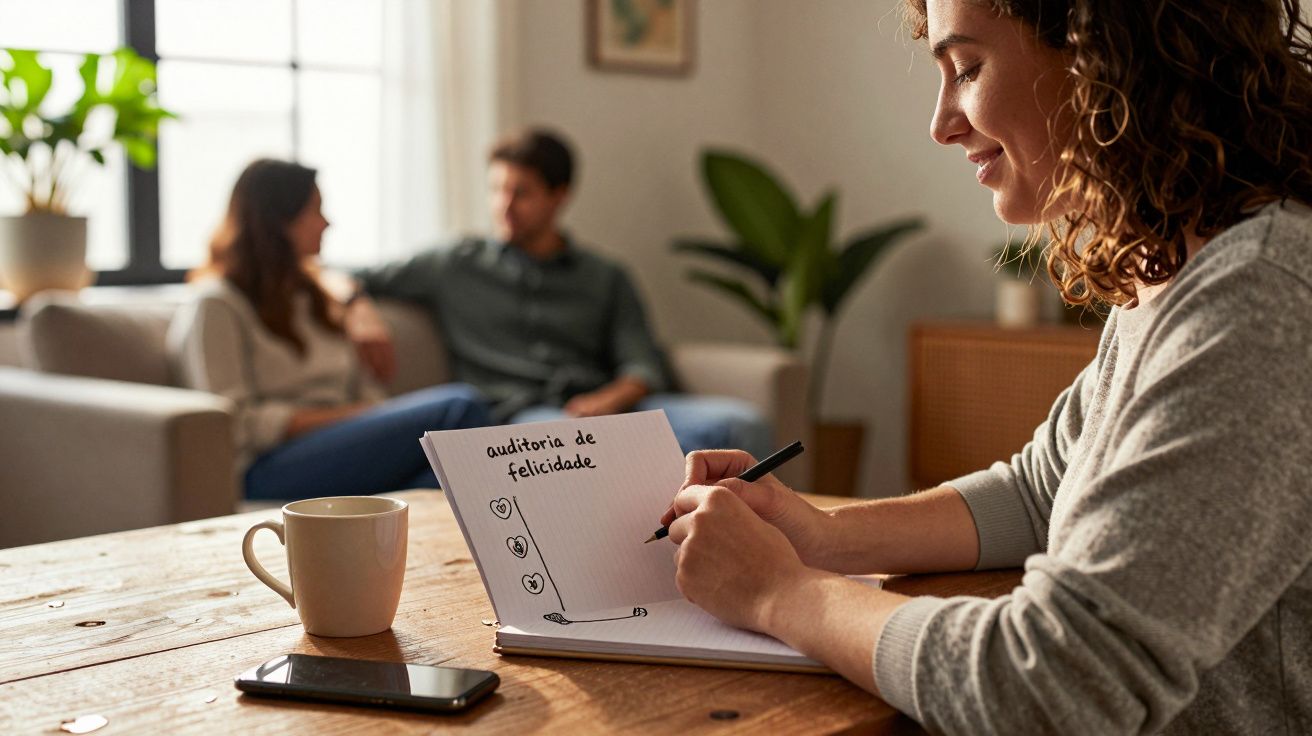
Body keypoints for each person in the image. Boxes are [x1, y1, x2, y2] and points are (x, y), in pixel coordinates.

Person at [660, 1, 1312, 733]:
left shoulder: (1259, 298)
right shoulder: (1178, 271)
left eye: (967, 68)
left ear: (1105, 55)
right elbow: (1040, 493)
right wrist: (819, 533)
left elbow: (1052, 684)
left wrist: (780, 592)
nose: (942, 123)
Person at [342, 128, 772, 458]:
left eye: (520, 192)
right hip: (522, 415)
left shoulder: (604, 276)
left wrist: (609, 400)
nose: (504, 205)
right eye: (496, 189)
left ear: (559, 196)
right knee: (571, 446)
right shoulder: (455, 263)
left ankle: (754, 555)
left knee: (739, 424)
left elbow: (641, 359)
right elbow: (346, 273)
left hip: (608, 408)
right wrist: (357, 307)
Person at [168, 159, 491, 500]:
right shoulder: (217, 304)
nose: (327, 223)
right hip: (267, 466)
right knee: (461, 407)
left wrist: (366, 414)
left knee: (446, 475)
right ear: (278, 220)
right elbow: (237, 423)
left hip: (341, 447)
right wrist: (355, 417)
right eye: (315, 211)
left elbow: (365, 391)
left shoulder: (314, 297)